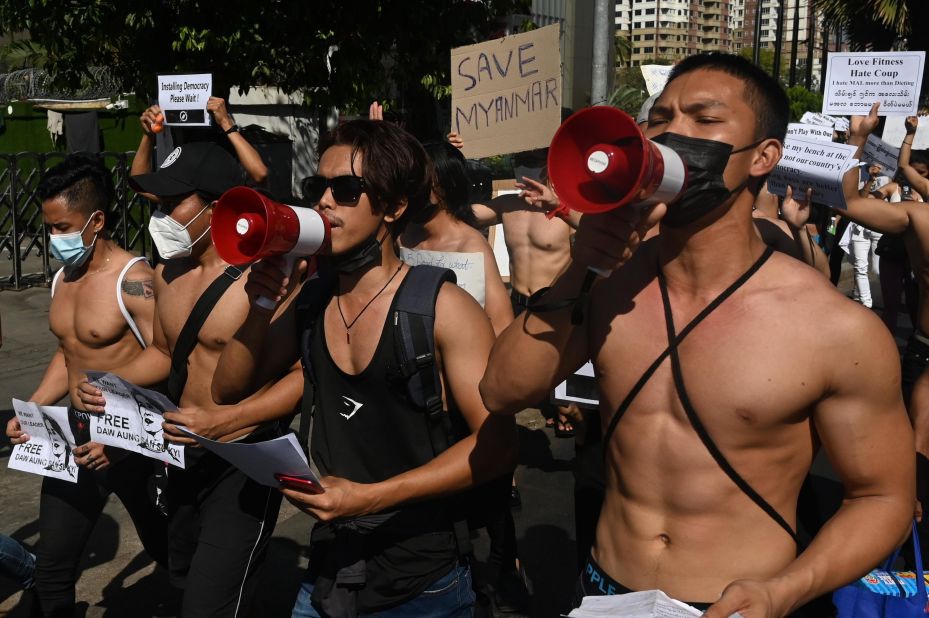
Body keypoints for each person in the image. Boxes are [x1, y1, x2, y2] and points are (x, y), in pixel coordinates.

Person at [480, 53, 914, 616]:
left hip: (740, 602)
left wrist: (786, 590)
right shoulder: (609, 290)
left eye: (704, 120)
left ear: (763, 157)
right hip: (606, 590)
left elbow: (882, 498)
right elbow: (503, 392)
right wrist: (579, 269)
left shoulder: (834, 329)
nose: (674, 134)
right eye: (660, 119)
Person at [212, 118, 517, 617]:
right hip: (332, 570)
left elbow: (499, 445)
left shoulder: (443, 308)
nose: (325, 202)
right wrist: (262, 303)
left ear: (394, 208)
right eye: (318, 186)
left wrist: (368, 499)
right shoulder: (311, 299)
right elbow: (227, 388)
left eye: (347, 189)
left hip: (425, 580)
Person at [76, 140, 304, 617]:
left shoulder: (265, 276)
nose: (160, 216)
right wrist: (107, 380)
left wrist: (233, 420)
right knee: (185, 577)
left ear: (217, 206)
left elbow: (299, 376)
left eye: (171, 203)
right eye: (156, 204)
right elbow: (163, 353)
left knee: (211, 602)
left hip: (242, 460)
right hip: (180, 453)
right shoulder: (167, 270)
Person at [4, 153, 168, 617]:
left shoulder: (134, 280)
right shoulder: (62, 278)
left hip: (132, 438)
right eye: (49, 227)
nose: (54, 238)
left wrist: (122, 430)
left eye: (62, 227)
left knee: (171, 551)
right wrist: (33, 404)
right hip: (75, 436)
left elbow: (169, 358)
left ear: (95, 221)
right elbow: (68, 352)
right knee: (54, 567)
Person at [398, 141, 514, 335]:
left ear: (447, 185)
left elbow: (501, 324)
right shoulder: (400, 236)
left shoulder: (472, 246)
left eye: (422, 180)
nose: (413, 188)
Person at [131, 96, 268, 203]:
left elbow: (260, 174)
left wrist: (226, 123)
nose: (171, 211)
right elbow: (140, 182)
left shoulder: (224, 191)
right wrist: (148, 135)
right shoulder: (182, 190)